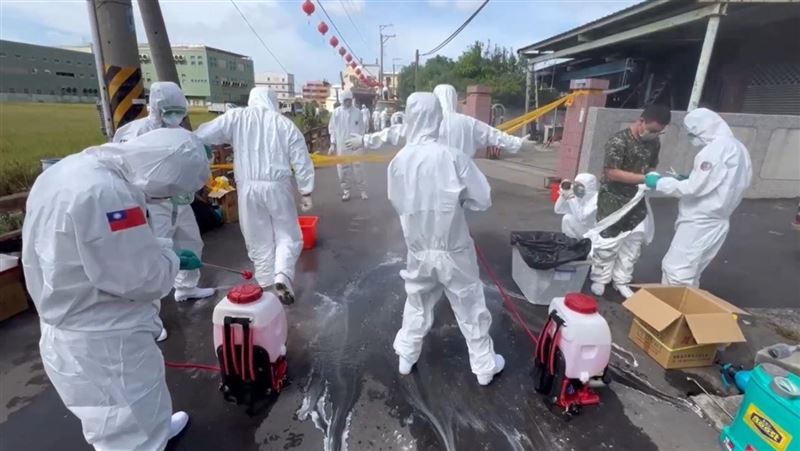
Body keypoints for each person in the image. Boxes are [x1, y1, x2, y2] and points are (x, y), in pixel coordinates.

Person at [22, 128, 210, 450]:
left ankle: (159, 429)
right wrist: (171, 258)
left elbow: (108, 249)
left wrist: (160, 250)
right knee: (126, 425)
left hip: (74, 319)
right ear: (164, 175)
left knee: (137, 406)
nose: (169, 199)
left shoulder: (75, 169)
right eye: (172, 192)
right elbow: (142, 279)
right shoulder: (107, 195)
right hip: (105, 337)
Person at [388, 92, 505, 386]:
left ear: (411, 118)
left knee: (418, 301)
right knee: (469, 304)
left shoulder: (398, 162)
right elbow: (484, 197)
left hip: (418, 249)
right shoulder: (453, 156)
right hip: (453, 249)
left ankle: (407, 355)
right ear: (438, 118)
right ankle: (483, 366)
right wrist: (463, 204)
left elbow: (398, 201)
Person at [113, 81, 214, 342]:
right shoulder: (136, 132)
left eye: (179, 111)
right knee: (153, 257)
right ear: (157, 107)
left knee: (191, 241)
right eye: (171, 110)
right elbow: (127, 168)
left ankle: (186, 287)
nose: (176, 116)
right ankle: (150, 320)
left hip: (178, 201)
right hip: (151, 204)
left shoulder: (178, 131)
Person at [196, 87, 314, 304]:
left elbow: (204, 134)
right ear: (272, 101)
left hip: (248, 188)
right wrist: (306, 190)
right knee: (287, 235)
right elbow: (301, 158)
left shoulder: (236, 117)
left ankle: (267, 287)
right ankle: (283, 275)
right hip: (278, 187)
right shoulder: (283, 123)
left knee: (258, 238)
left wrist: (199, 148)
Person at [646, 108, 752, 287]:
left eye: (692, 133)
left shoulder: (715, 150)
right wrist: (690, 177)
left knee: (676, 270)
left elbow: (694, 188)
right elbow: (725, 182)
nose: (692, 138)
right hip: (718, 222)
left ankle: (670, 311)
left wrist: (660, 183)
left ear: (702, 128)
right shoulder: (738, 148)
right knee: (692, 272)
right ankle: (685, 309)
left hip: (699, 221)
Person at [589, 104, 671, 299]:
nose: (654, 134)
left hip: (637, 200)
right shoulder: (618, 141)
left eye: (659, 132)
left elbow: (651, 166)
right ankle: (600, 278)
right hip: (613, 199)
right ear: (641, 121)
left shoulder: (654, 143)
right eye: (652, 130)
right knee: (608, 241)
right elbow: (612, 173)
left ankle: (622, 280)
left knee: (632, 242)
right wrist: (644, 179)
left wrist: (654, 176)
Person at [346, 84, 535, 157]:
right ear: (453, 98)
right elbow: (495, 135)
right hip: (462, 183)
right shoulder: (468, 123)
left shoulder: (425, 124)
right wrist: (518, 143)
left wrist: (364, 140)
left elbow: (392, 133)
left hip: (430, 183)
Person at [328, 89, 367, 201]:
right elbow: (332, 129)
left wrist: (361, 142)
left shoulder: (357, 112)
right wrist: (332, 144)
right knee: (343, 170)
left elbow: (362, 128)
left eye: (349, 100)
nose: (348, 102)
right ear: (342, 101)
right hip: (342, 146)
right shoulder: (336, 113)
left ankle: (362, 190)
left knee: (358, 168)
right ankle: (346, 191)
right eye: (346, 100)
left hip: (356, 145)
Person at [554, 173, 598, 239]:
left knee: (569, 218)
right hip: (584, 229)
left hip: (594, 233)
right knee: (567, 218)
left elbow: (583, 218)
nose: (576, 187)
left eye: (580, 185)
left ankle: (584, 245)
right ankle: (571, 243)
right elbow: (558, 210)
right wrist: (563, 195)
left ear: (589, 186)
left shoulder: (595, 199)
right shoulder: (578, 197)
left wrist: (570, 198)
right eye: (575, 184)